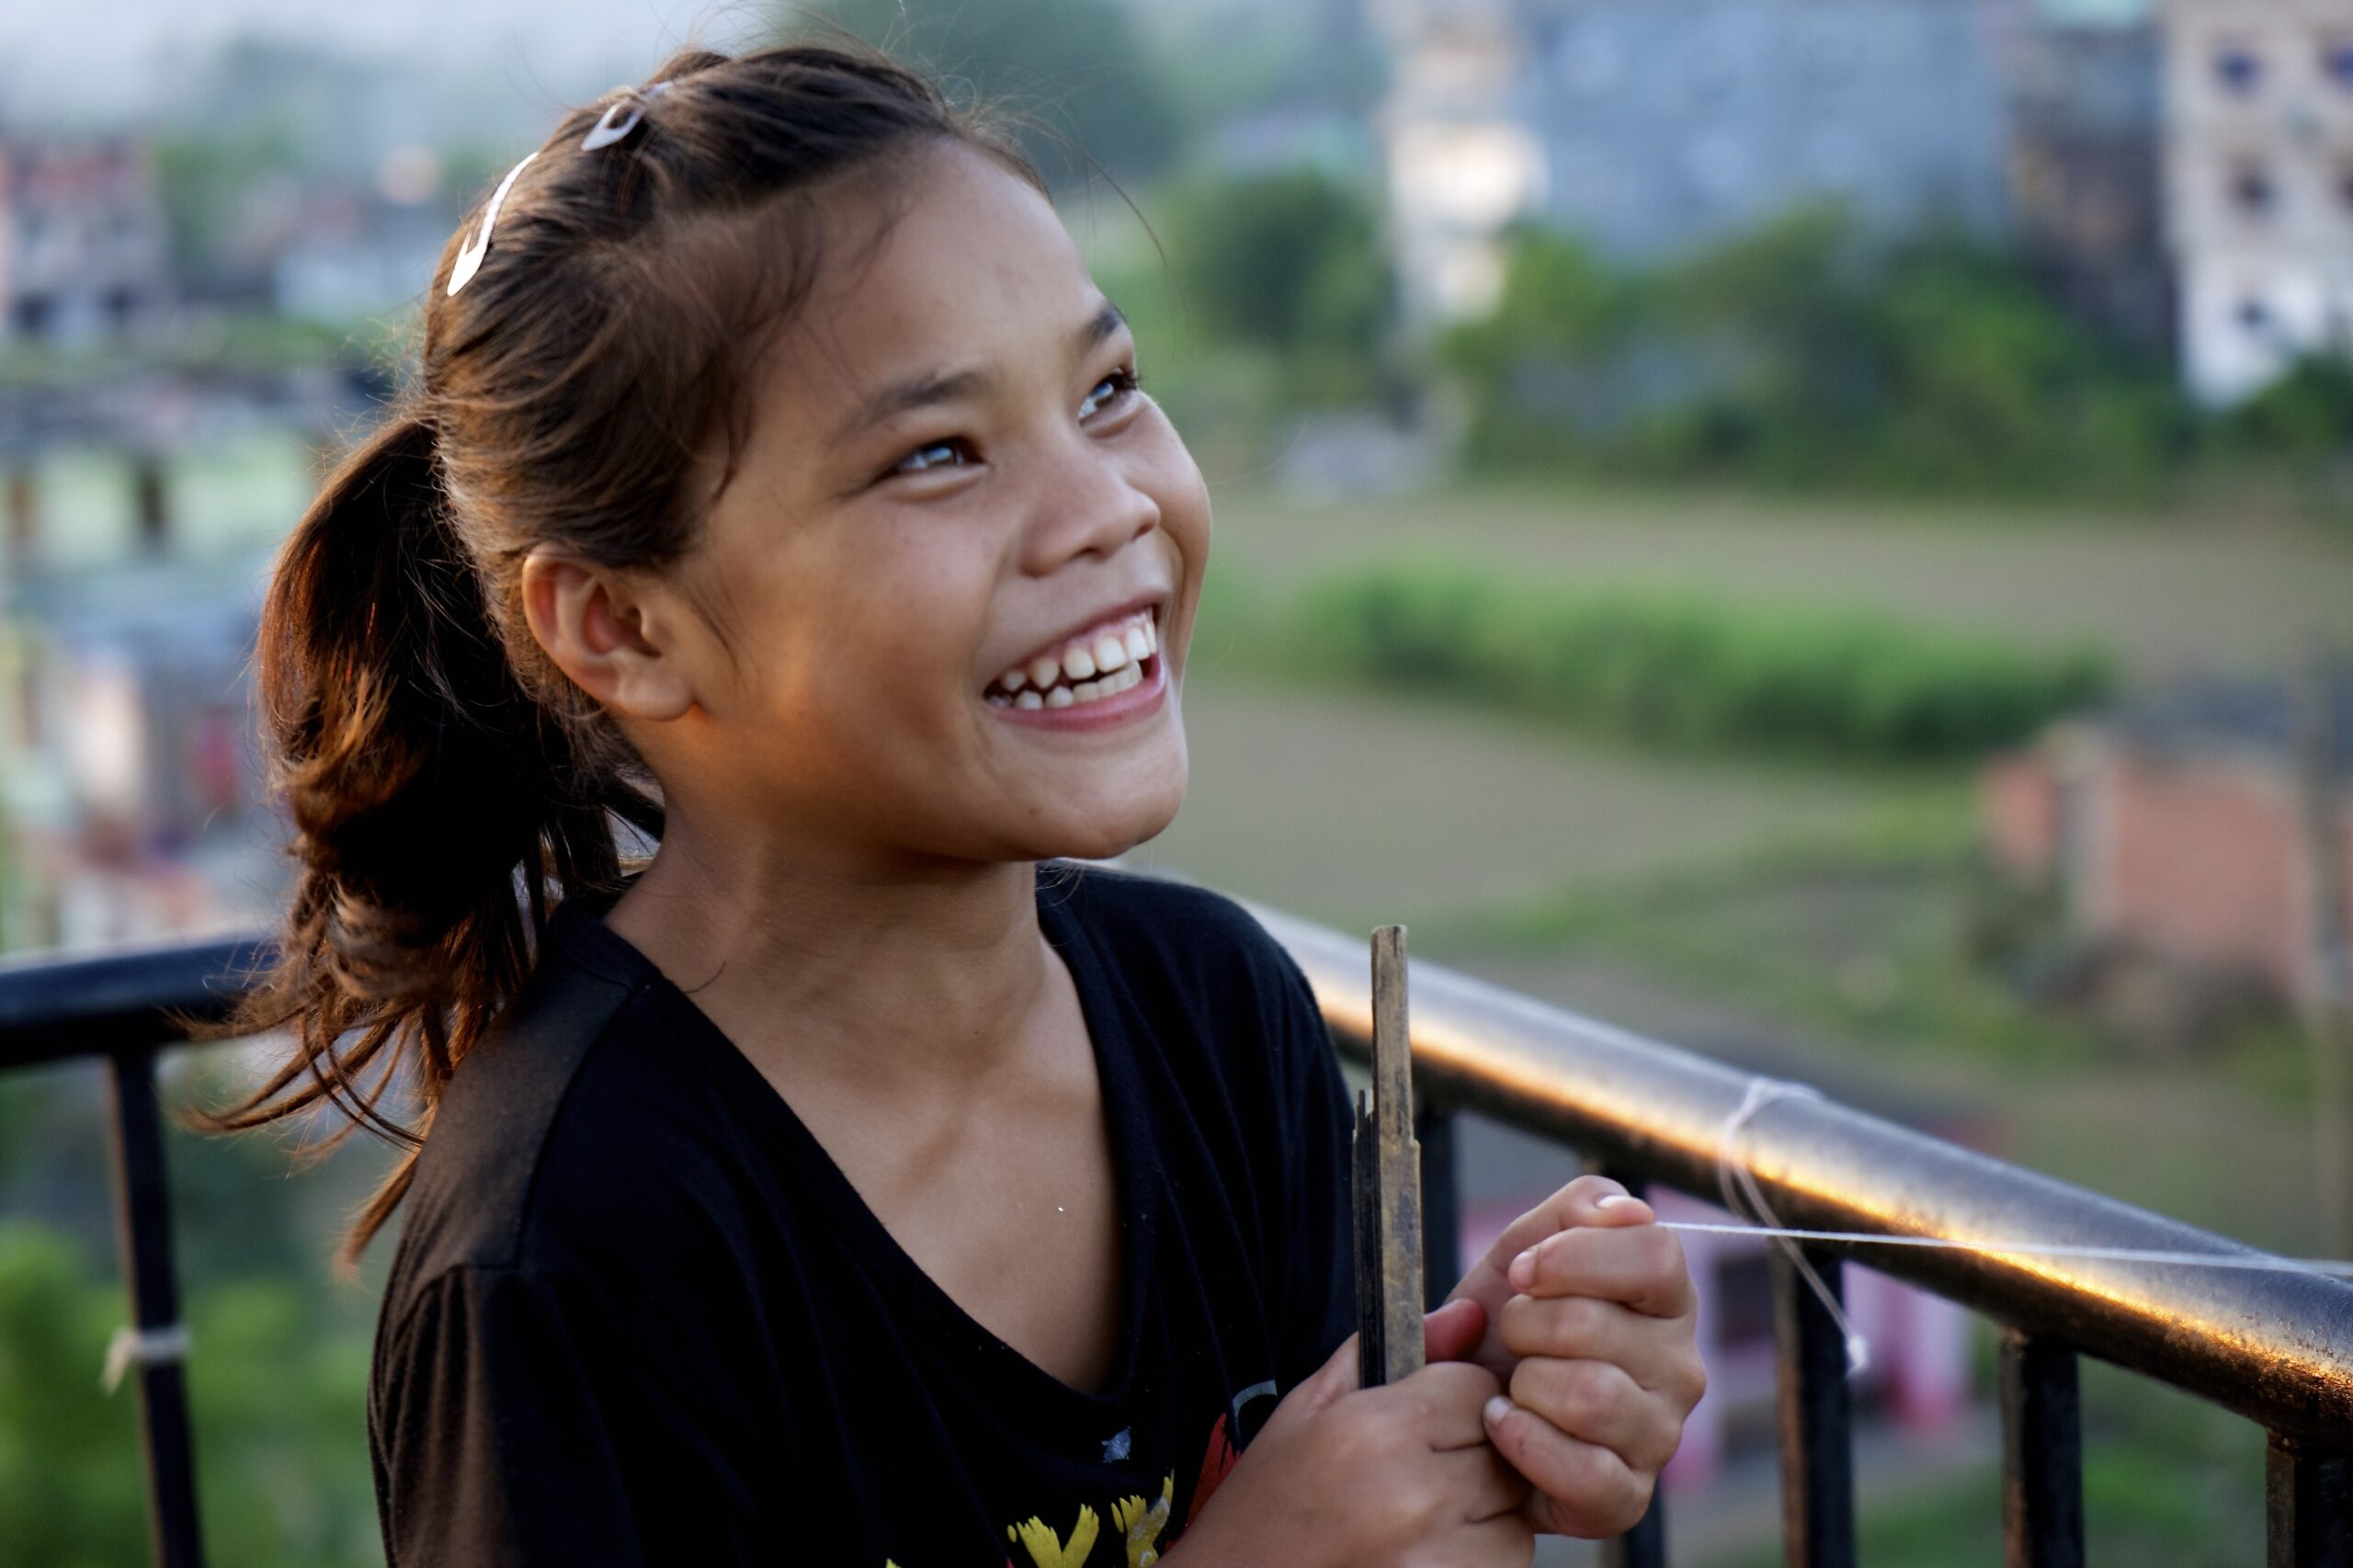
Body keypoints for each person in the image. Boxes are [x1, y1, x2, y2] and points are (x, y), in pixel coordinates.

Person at [199, 40, 1705, 1567]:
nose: (1109, 507)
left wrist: (1492, 1440)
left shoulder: (1218, 1021)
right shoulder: (576, 1245)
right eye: (938, 454)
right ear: (624, 625)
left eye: (1109, 390)